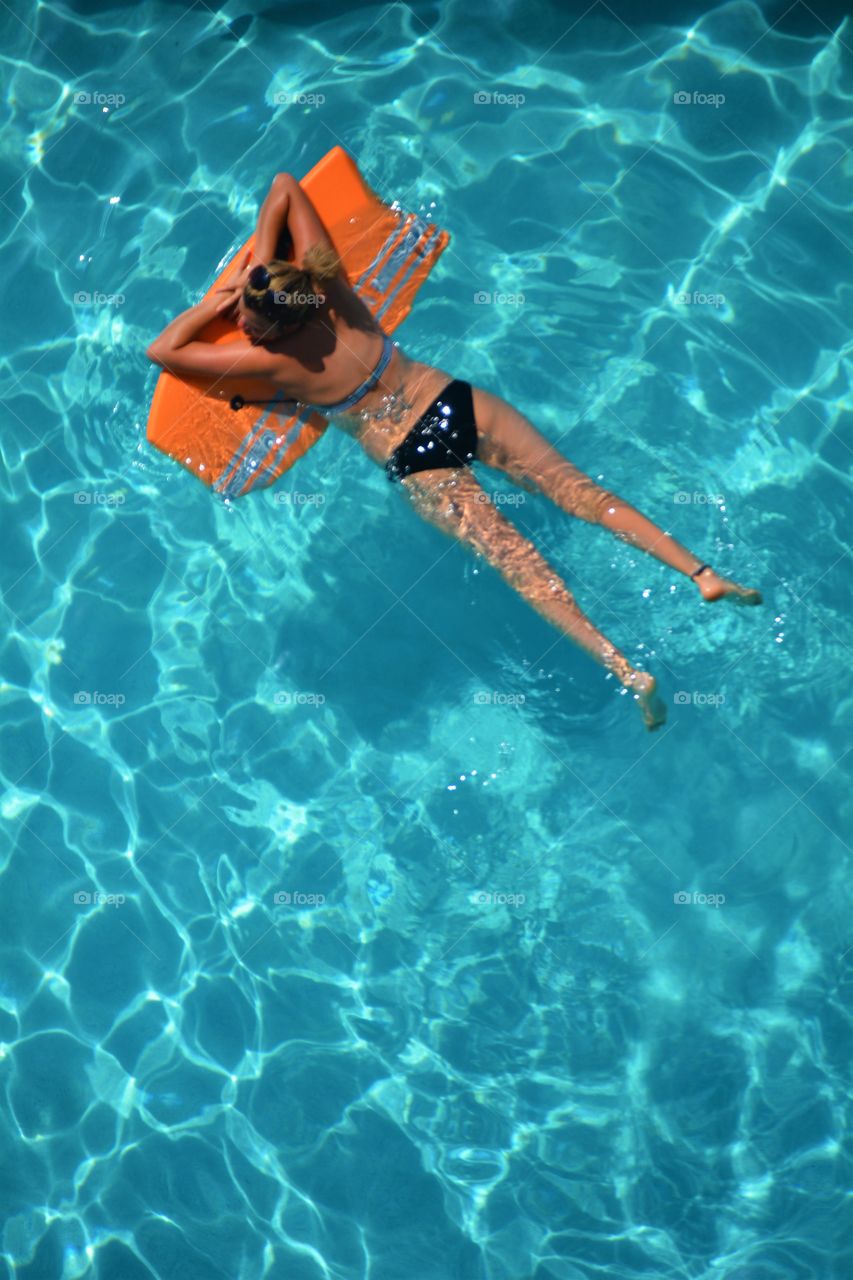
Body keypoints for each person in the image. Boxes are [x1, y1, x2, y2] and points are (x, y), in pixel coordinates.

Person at [146, 173, 762, 731]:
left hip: (415, 459)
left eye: (250, 323)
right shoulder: (334, 289)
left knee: (518, 561)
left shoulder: (272, 364)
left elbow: (165, 351)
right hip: (454, 403)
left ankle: (626, 670)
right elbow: (284, 186)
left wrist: (218, 301)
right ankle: (703, 574)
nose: (244, 330)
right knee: (583, 495)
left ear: (268, 331)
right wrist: (261, 264)